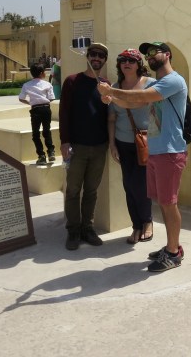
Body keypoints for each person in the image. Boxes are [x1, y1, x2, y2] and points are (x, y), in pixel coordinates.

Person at [98, 41, 188, 273]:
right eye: (147, 53)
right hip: (157, 150)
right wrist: (112, 99)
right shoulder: (159, 82)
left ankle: (173, 253)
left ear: (167, 55)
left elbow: (140, 97)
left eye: (153, 52)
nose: (149, 56)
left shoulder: (173, 81)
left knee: (169, 204)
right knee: (164, 204)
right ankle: (171, 246)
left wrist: (110, 91)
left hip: (170, 150)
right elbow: (134, 101)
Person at [59, 43, 110, 250]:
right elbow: (64, 113)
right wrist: (64, 141)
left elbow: (109, 116)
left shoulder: (105, 84)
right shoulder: (72, 81)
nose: (97, 58)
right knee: (72, 190)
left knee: (91, 190)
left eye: (101, 55)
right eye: (94, 54)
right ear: (87, 56)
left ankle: (87, 228)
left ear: (104, 60)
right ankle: (73, 230)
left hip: (99, 146)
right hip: (77, 147)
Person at [107, 49, 154, 245]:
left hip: (144, 142)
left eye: (131, 60)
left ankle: (148, 221)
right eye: (123, 60)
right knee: (128, 185)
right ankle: (136, 225)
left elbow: (143, 102)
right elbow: (111, 118)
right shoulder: (115, 86)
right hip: (123, 142)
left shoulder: (150, 84)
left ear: (138, 64)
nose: (127, 63)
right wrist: (112, 144)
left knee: (140, 185)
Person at [19, 64, 56, 166]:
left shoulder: (27, 85)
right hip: (46, 109)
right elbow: (52, 98)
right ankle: (51, 151)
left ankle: (41, 156)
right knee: (46, 130)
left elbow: (21, 98)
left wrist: (30, 102)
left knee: (35, 134)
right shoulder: (47, 84)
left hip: (35, 110)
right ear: (41, 73)